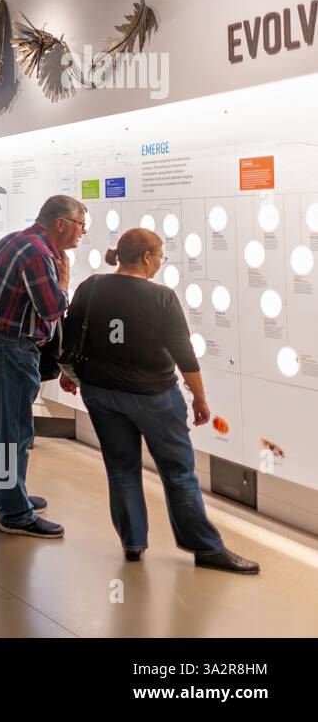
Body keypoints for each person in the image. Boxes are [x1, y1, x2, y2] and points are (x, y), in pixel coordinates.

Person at [62, 228, 259, 573]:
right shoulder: (161, 297)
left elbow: (73, 333)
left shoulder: (90, 287)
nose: (159, 264)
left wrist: (69, 373)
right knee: (178, 471)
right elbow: (184, 354)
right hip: (153, 395)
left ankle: (133, 543)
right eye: (160, 257)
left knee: (121, 468)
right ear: (148, 258)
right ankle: (205, 548)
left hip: (101, 392)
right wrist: (200, 398)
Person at [0, 194, 83, 539]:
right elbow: (51, 307)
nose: (81, 234)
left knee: (3, 429)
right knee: (15, 432)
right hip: (9, 348)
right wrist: (64, 282)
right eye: (81, 226)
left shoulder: (16, 240)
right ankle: (16, 513)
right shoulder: (38, 254)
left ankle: (7, 495)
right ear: (61, 223)